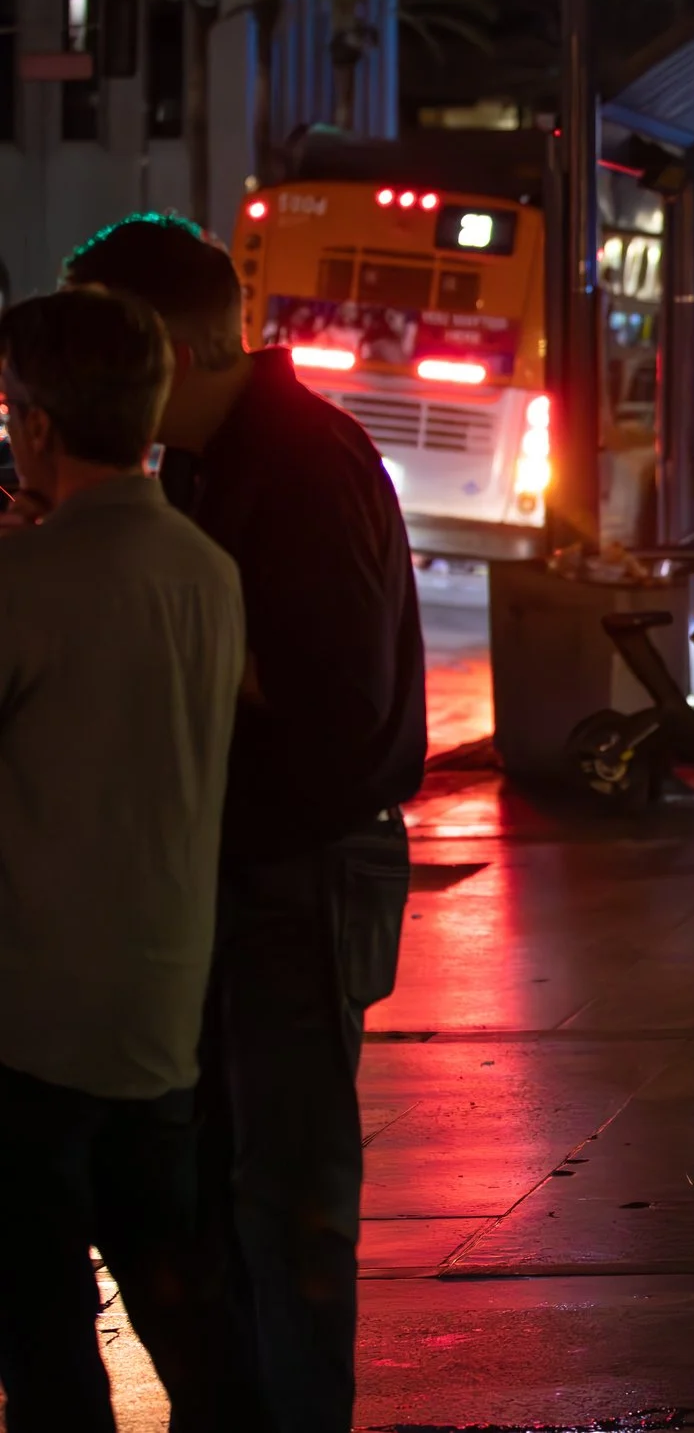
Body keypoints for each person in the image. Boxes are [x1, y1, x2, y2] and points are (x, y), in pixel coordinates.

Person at [67, 215, 427, 1432]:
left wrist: (155, 598)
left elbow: (334, 694)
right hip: (234, 863)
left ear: (168, 341)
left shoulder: (304, 458)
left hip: (307, 861)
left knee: (288, 1186)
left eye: (108, 347)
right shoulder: (200, 466)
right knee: (211, 1176)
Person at [0, 289, 244, 1428]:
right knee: (184, 1323)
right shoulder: (207, 569)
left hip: (28, 1026)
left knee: (47, 1345)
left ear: (37, 423)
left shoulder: (27, 582)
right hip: (159, 1012)